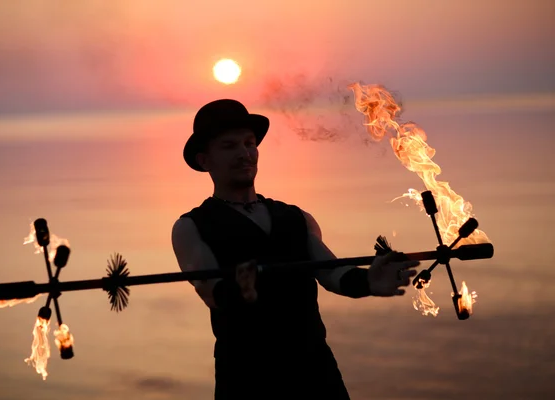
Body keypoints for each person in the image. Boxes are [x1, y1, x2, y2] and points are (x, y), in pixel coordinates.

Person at [171, 99, 419, 399]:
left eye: (249, 143)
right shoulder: (191, 226)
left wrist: (366, 281)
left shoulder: (296, 217)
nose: (244, 153)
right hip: (246, 379)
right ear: (204, 160)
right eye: (229, 146)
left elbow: (332, 273)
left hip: (315, 373)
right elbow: (210, 290)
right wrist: (239, 292)